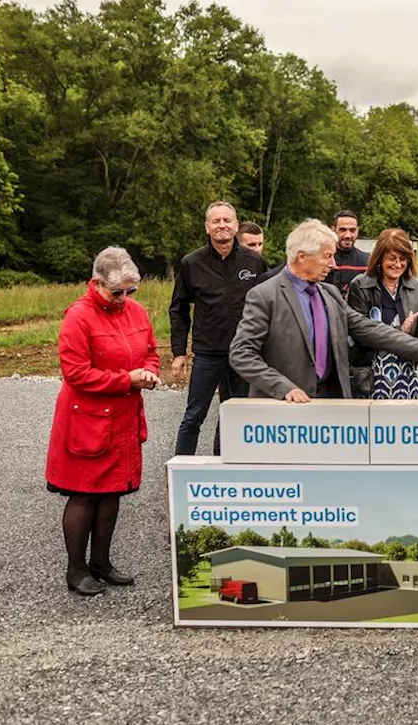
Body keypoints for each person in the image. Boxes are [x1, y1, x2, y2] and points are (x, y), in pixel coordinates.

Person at [230, 220, 418, 401]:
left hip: (331, 404)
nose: (333, 264)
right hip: (283, 409)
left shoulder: (329, 294)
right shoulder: (264, 295)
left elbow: (372, 330)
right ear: (302, 257)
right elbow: (242, 354)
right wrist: (283, 387)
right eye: (327, 256)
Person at [46, 247, 160, 596]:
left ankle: (102, 563)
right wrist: (126, 380)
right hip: (87, 420)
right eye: (117, 292)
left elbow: (152, 351)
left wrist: (150, 372)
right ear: (95, 284)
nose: (124, 299)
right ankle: (76, 569)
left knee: (113, 493)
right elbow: (76, 373)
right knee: (83, 495)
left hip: (123, 419)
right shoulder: (78, 317)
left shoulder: (137, 312)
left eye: (131, 292)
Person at [169, 201, 267, 456]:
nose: (222, 225)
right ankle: (181, 470)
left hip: (245, 353)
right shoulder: (192, 263)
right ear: (207, 226)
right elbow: (178, 309)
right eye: (216, 221)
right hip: (208, 353)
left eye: (227, 220)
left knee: (242, 416)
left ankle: (234, 469)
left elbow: (270, 305)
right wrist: (179, 351)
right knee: (193, 416)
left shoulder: (253, 261)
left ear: (236, 225)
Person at [346, 228, 418, 399]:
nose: (398, 265)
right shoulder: (361, 285)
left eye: (403, 260)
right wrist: (401, 330)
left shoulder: (416, 286)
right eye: (392, 259)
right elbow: (360, 333)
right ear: (379, 258)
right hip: (372, 373)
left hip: (407, 372)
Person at [326, 210, 369, 297]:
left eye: (352, 230)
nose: (348, 235)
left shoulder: (366, 262)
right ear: (333, 230)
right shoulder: (321, 260)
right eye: (343, 230)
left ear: (357, 231)